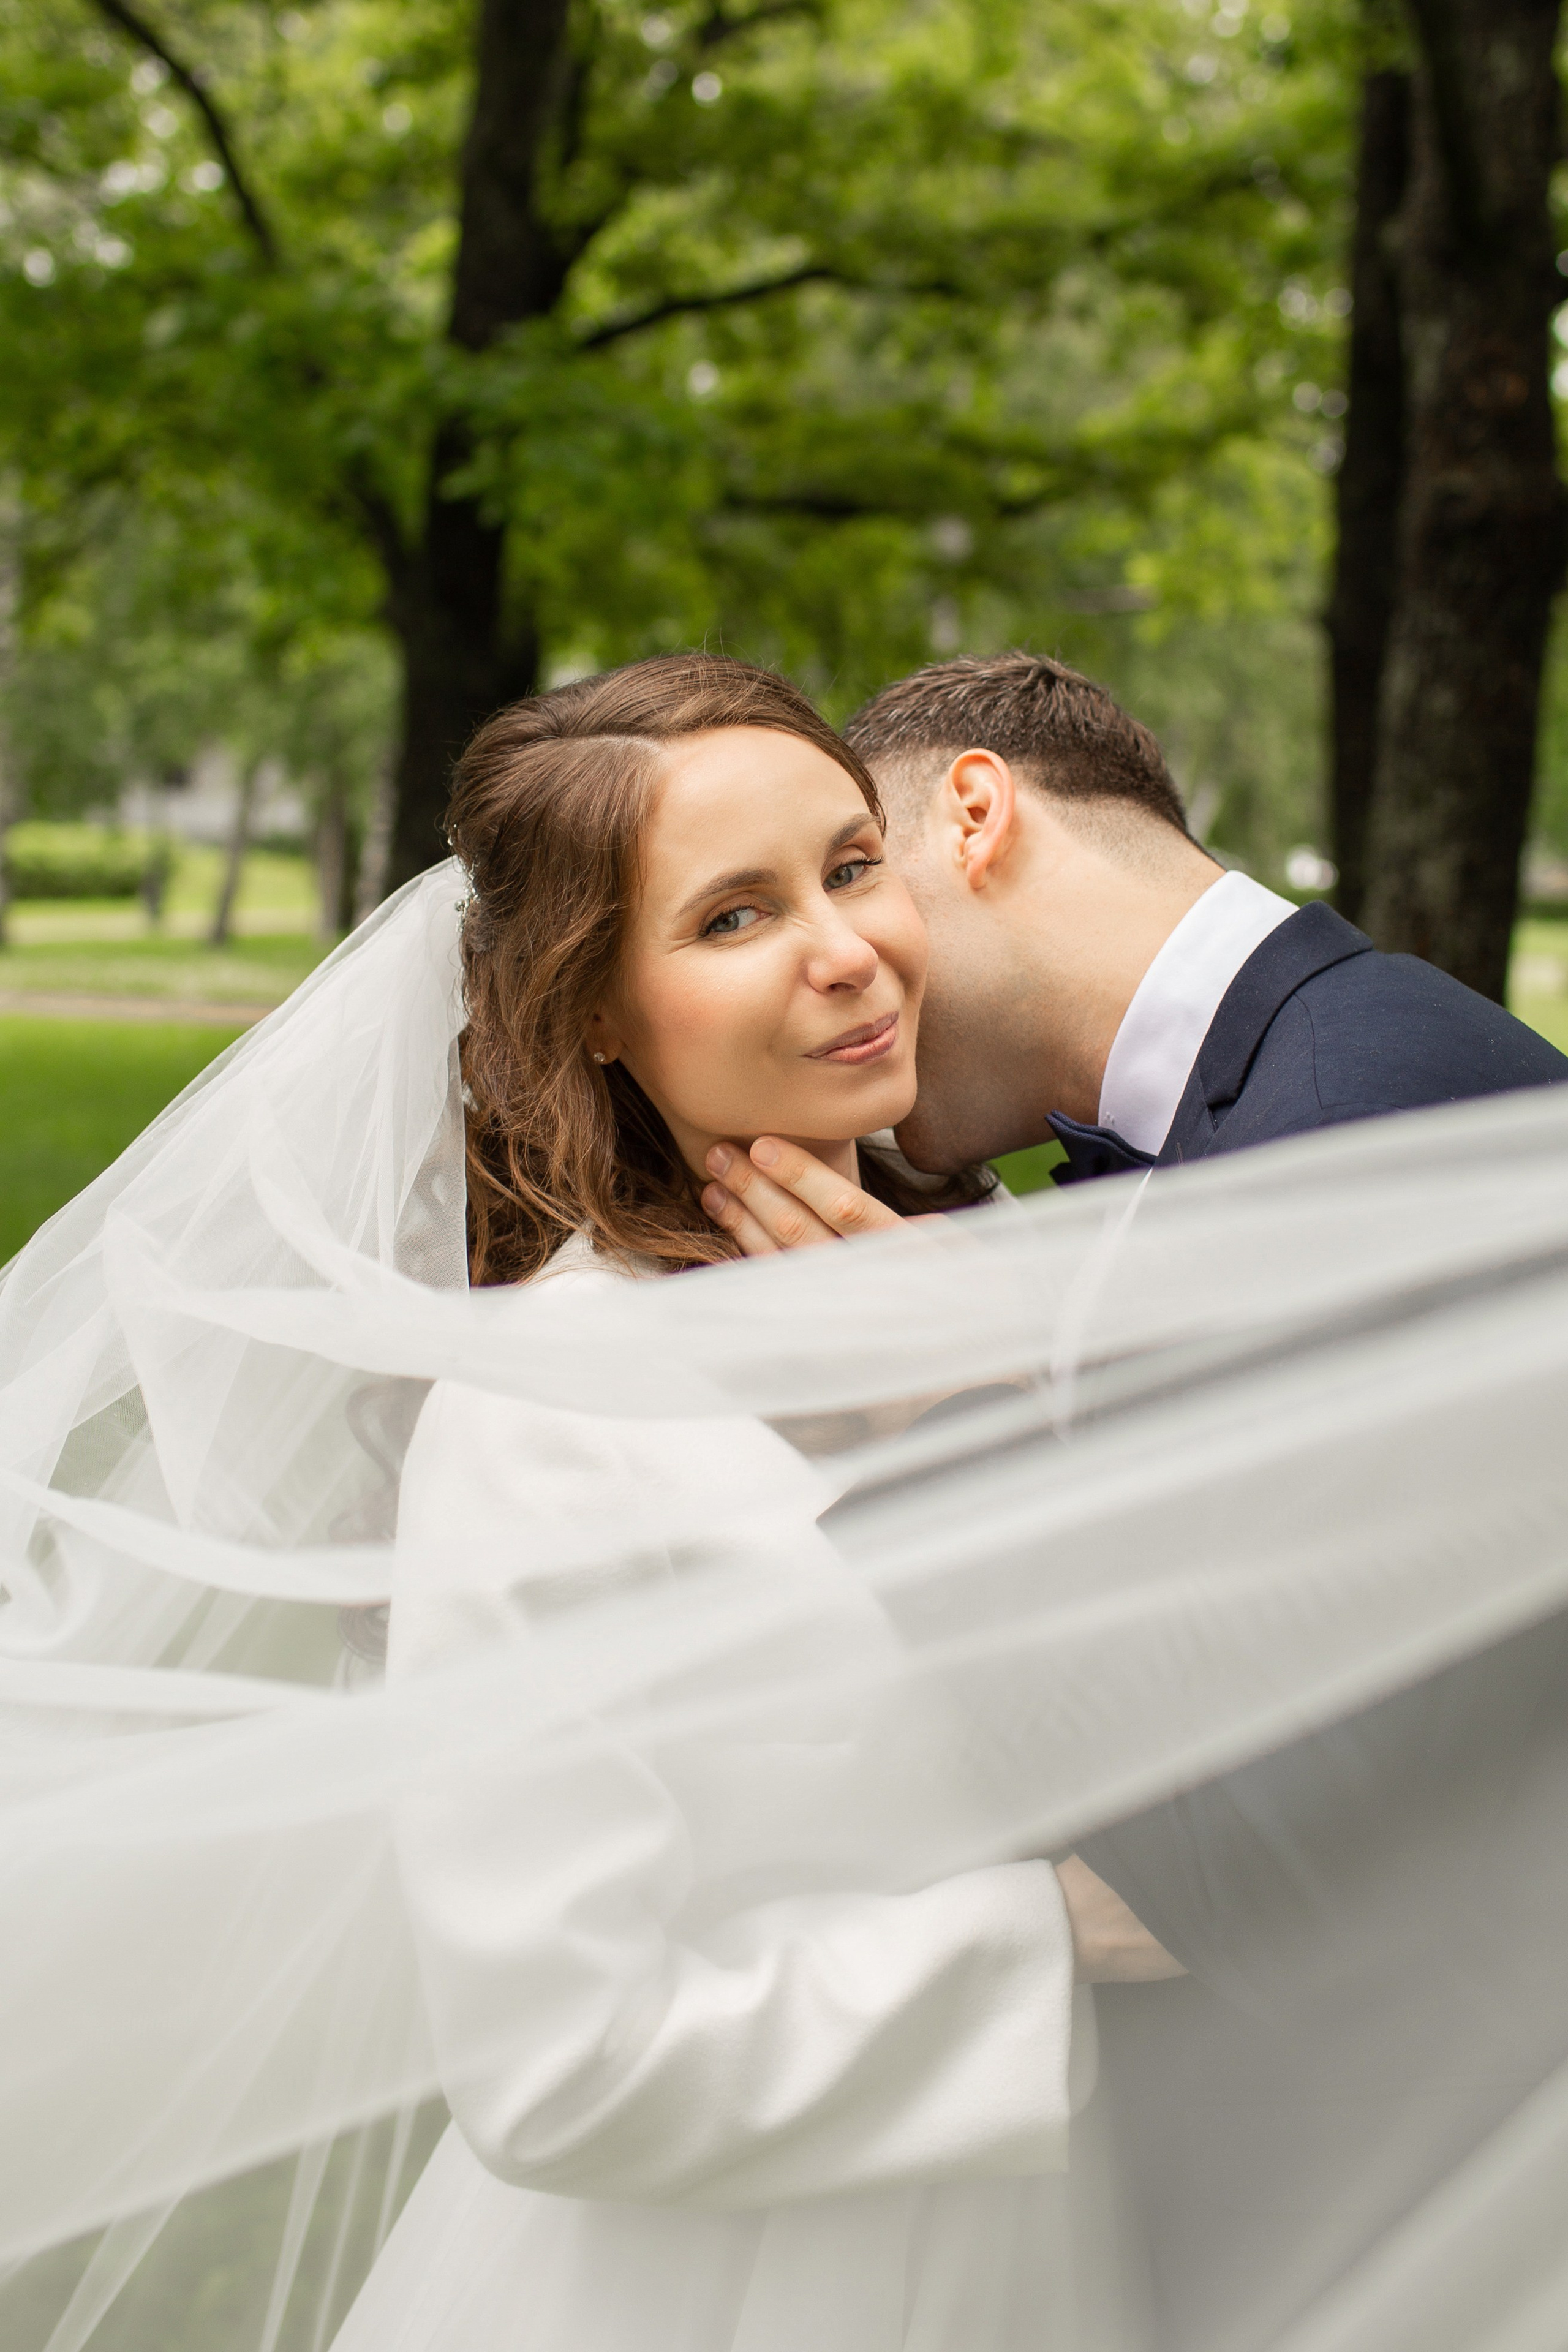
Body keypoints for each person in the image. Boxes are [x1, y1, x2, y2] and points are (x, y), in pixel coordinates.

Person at [695, 650, 1568, 2350]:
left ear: (973, 809)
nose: (842, 970)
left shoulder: (1350, 1123)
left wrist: (947, 1442)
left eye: (857, 875)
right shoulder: (1305, 1075)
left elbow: (1309, 1877)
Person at [330, 653, 1170, 2352]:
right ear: (590, 1008)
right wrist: (1042, 1944)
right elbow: (557, 2065)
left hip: (1062, 2260)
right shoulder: (549, 1419)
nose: (847, 949)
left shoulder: (1017, 1270)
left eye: (854, 866)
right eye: (732, 918)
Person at [695, 649, 1568, 1254]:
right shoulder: (1348, 1041)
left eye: (856, 871)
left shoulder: (1328, 1144)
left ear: (975, 817)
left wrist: (953, 1400)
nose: (847, 953)